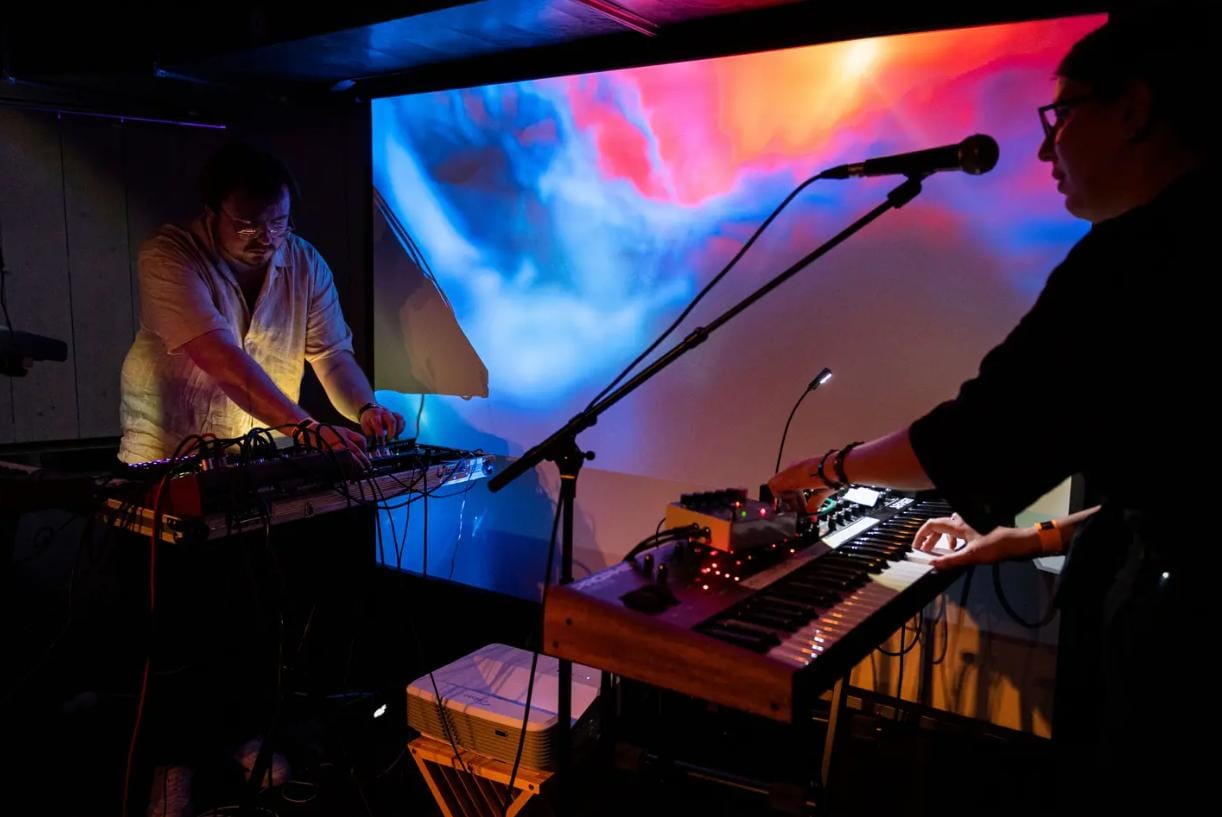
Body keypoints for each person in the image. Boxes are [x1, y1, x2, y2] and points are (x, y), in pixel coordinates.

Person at [769, 8, 1213, 812]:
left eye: (1061, 115)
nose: (1046, 148)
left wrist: (828, 469)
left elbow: (974, 439)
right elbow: (1171, 479)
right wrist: (1016, 540)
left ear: (1134, 109)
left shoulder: (1131, 262)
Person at [118, 142, 404, 465]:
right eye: (248, 226)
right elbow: (221, 360)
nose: (266, 237)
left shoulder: (306, 264)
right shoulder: (169, 256)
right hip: (171, 455)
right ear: (212, 214)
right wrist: (307, 429)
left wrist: (366, 408)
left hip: (264, 454)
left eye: (278, 223)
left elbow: (333, 358)